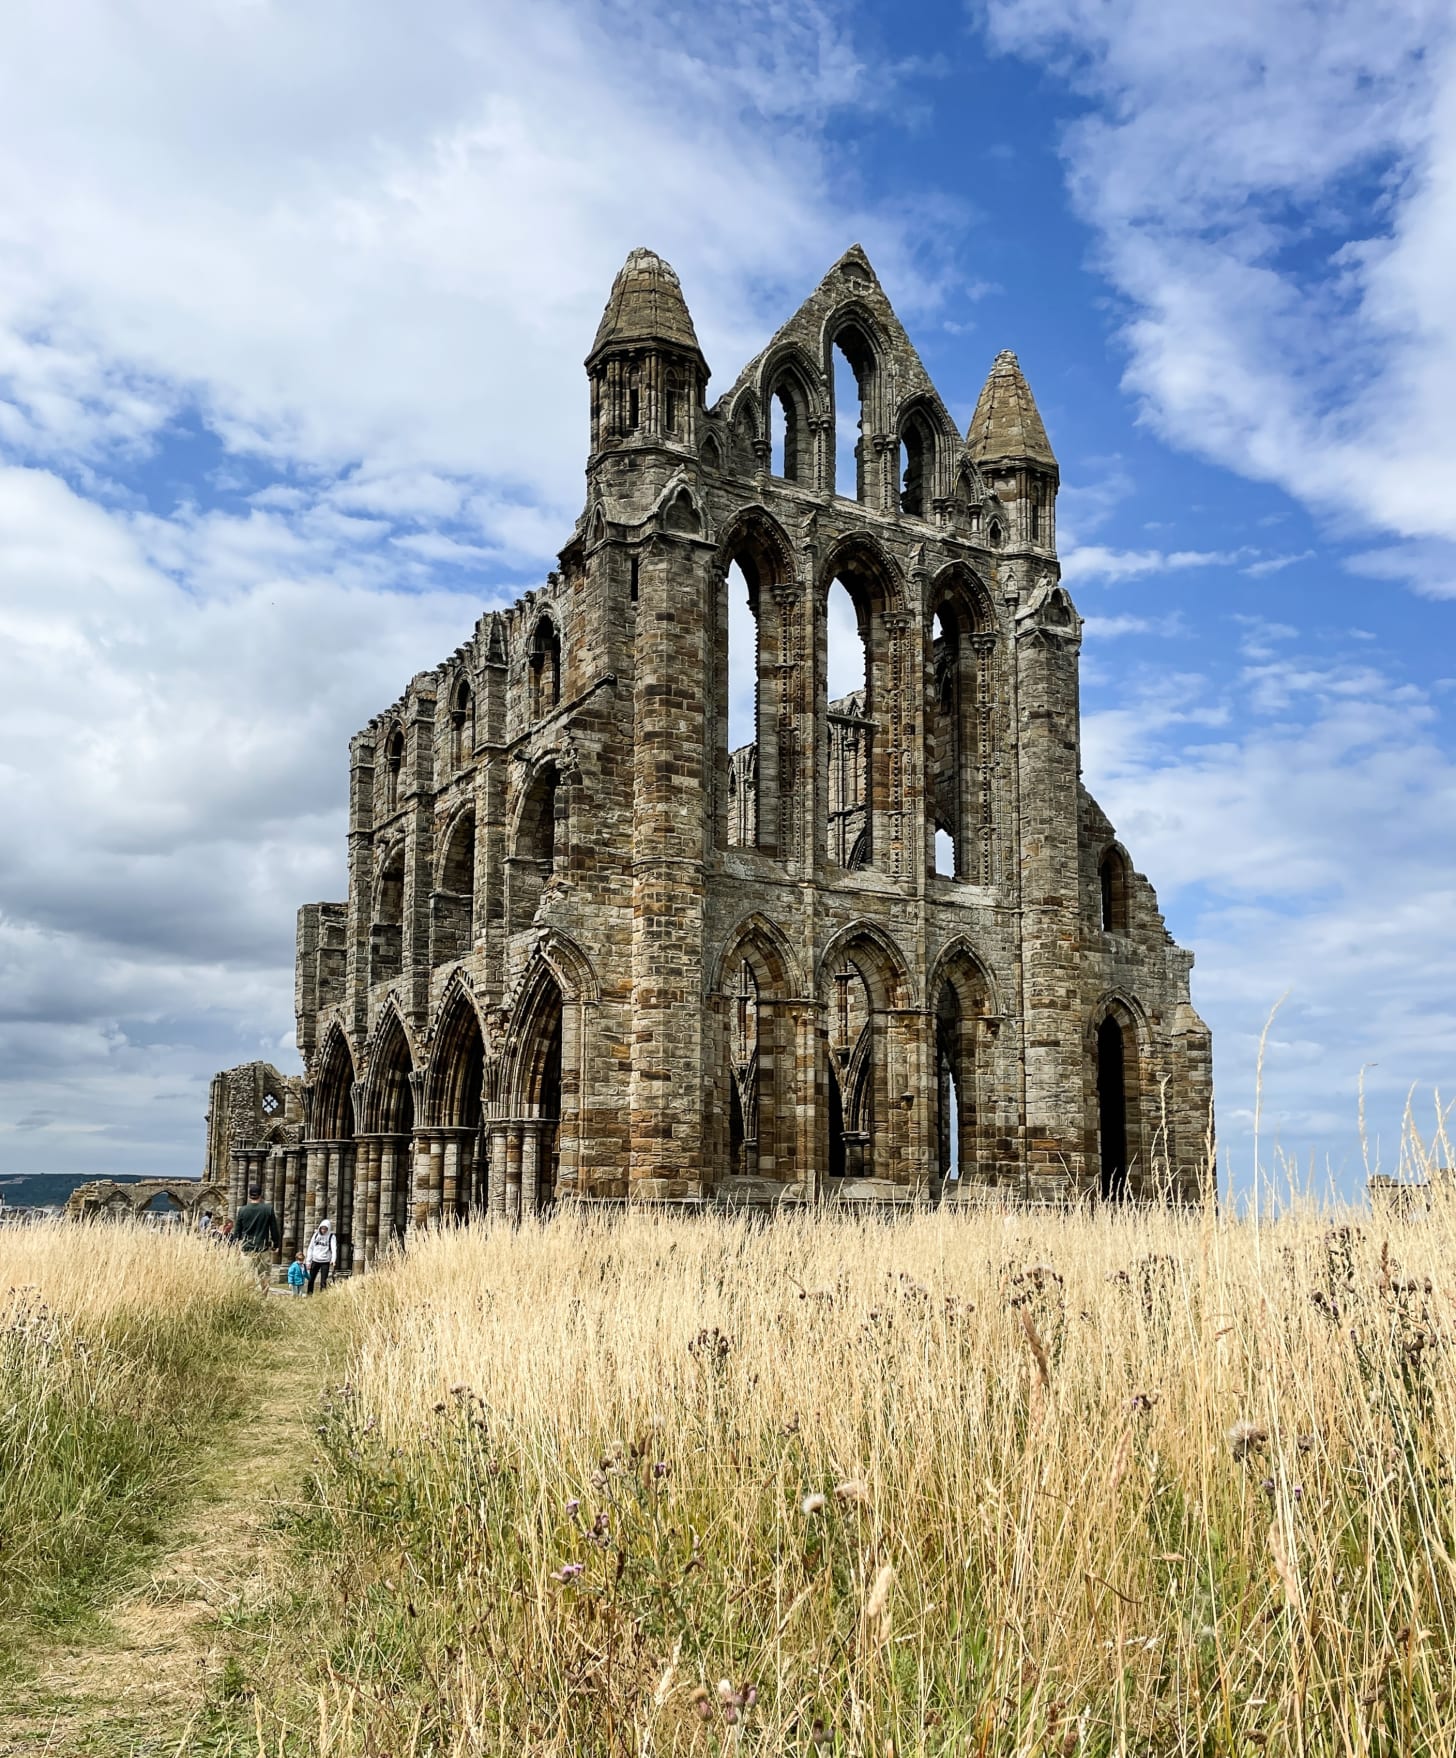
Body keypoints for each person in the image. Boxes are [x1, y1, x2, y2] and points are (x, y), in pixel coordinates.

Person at [232, 1184, 281, 1287]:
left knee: (248, 1275)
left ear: (249, 1195)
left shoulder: (242, 1210)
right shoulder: (268, 1209)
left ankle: (249, 1294)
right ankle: (264, 1295)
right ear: (260, 1195)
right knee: (265, 1276)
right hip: (263, 1248)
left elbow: (237, 1231)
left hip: (247, 1248)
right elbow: (274, 1229)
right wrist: (276, 1244)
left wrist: (236, 1244)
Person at [305, 1217, 337, 1294]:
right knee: (311, 1279)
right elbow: (310, 1248)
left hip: (325, 1261)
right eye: (322, 1228)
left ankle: (322, 1295)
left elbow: (333, 1249)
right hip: (315, 1260)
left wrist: (333, 1259)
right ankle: (309, 1294)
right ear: (320, 1228)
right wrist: (308, 1261)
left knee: (323, 1280)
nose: (323, 1230)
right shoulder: (316, 1235)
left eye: (325, 1229)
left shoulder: (331, 1237)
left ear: (328, 1229)